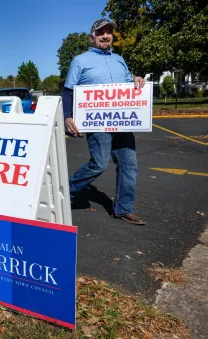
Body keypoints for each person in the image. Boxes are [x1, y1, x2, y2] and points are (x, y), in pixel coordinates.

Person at [63, 18, 147, 225]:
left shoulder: (120, 60)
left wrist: (136, 80)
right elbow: (68, 90)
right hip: (97, 122)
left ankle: (123, 209)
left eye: (109, 32)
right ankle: (64, 190)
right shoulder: (80, 61)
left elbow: (128, 85)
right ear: (92, 37)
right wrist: (68, 116)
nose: (106, 35)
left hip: (123, 121)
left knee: (129, 165)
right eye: (101, 32)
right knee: (99, 164)